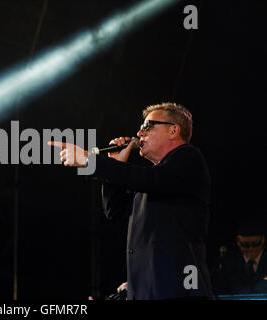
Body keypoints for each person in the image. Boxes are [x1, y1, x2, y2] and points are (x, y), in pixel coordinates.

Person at [49, 102, 214, 299]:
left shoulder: (188, 158)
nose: (139, 132)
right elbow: (115, 211)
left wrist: (89, 161)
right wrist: (116, 163)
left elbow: (149, 180)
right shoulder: (154, 181)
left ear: (173, 130)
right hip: (150, 290)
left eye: (147, 126)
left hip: (180, 290)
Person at [211, 218, 267, 295]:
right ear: (238, 241)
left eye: (255, 243)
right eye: (245, 245)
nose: (250, 249)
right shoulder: (227, 263)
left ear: (263, 240)